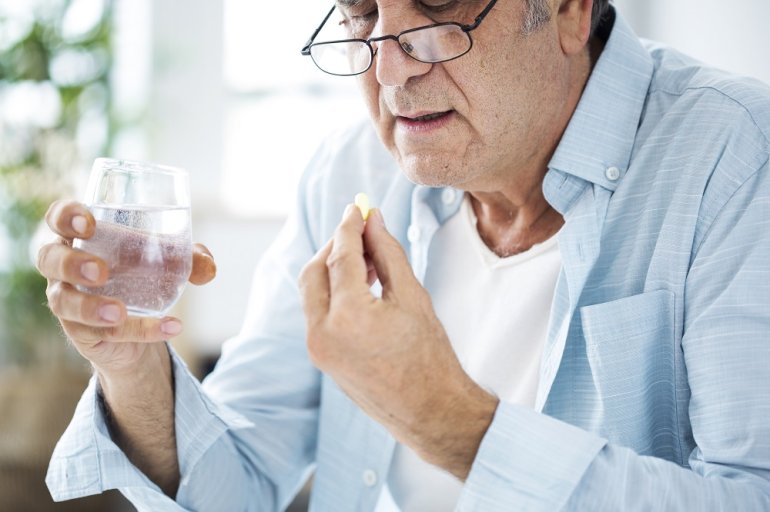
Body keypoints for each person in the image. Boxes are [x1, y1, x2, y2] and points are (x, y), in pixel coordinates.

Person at [38, 0, 770, 509]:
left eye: (441, 5)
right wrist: (131, 367)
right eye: (362, 12)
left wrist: (444, 417)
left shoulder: (735, 156)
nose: (389, 72)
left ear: (571, 9)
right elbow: (235, 483)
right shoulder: (349, 173)